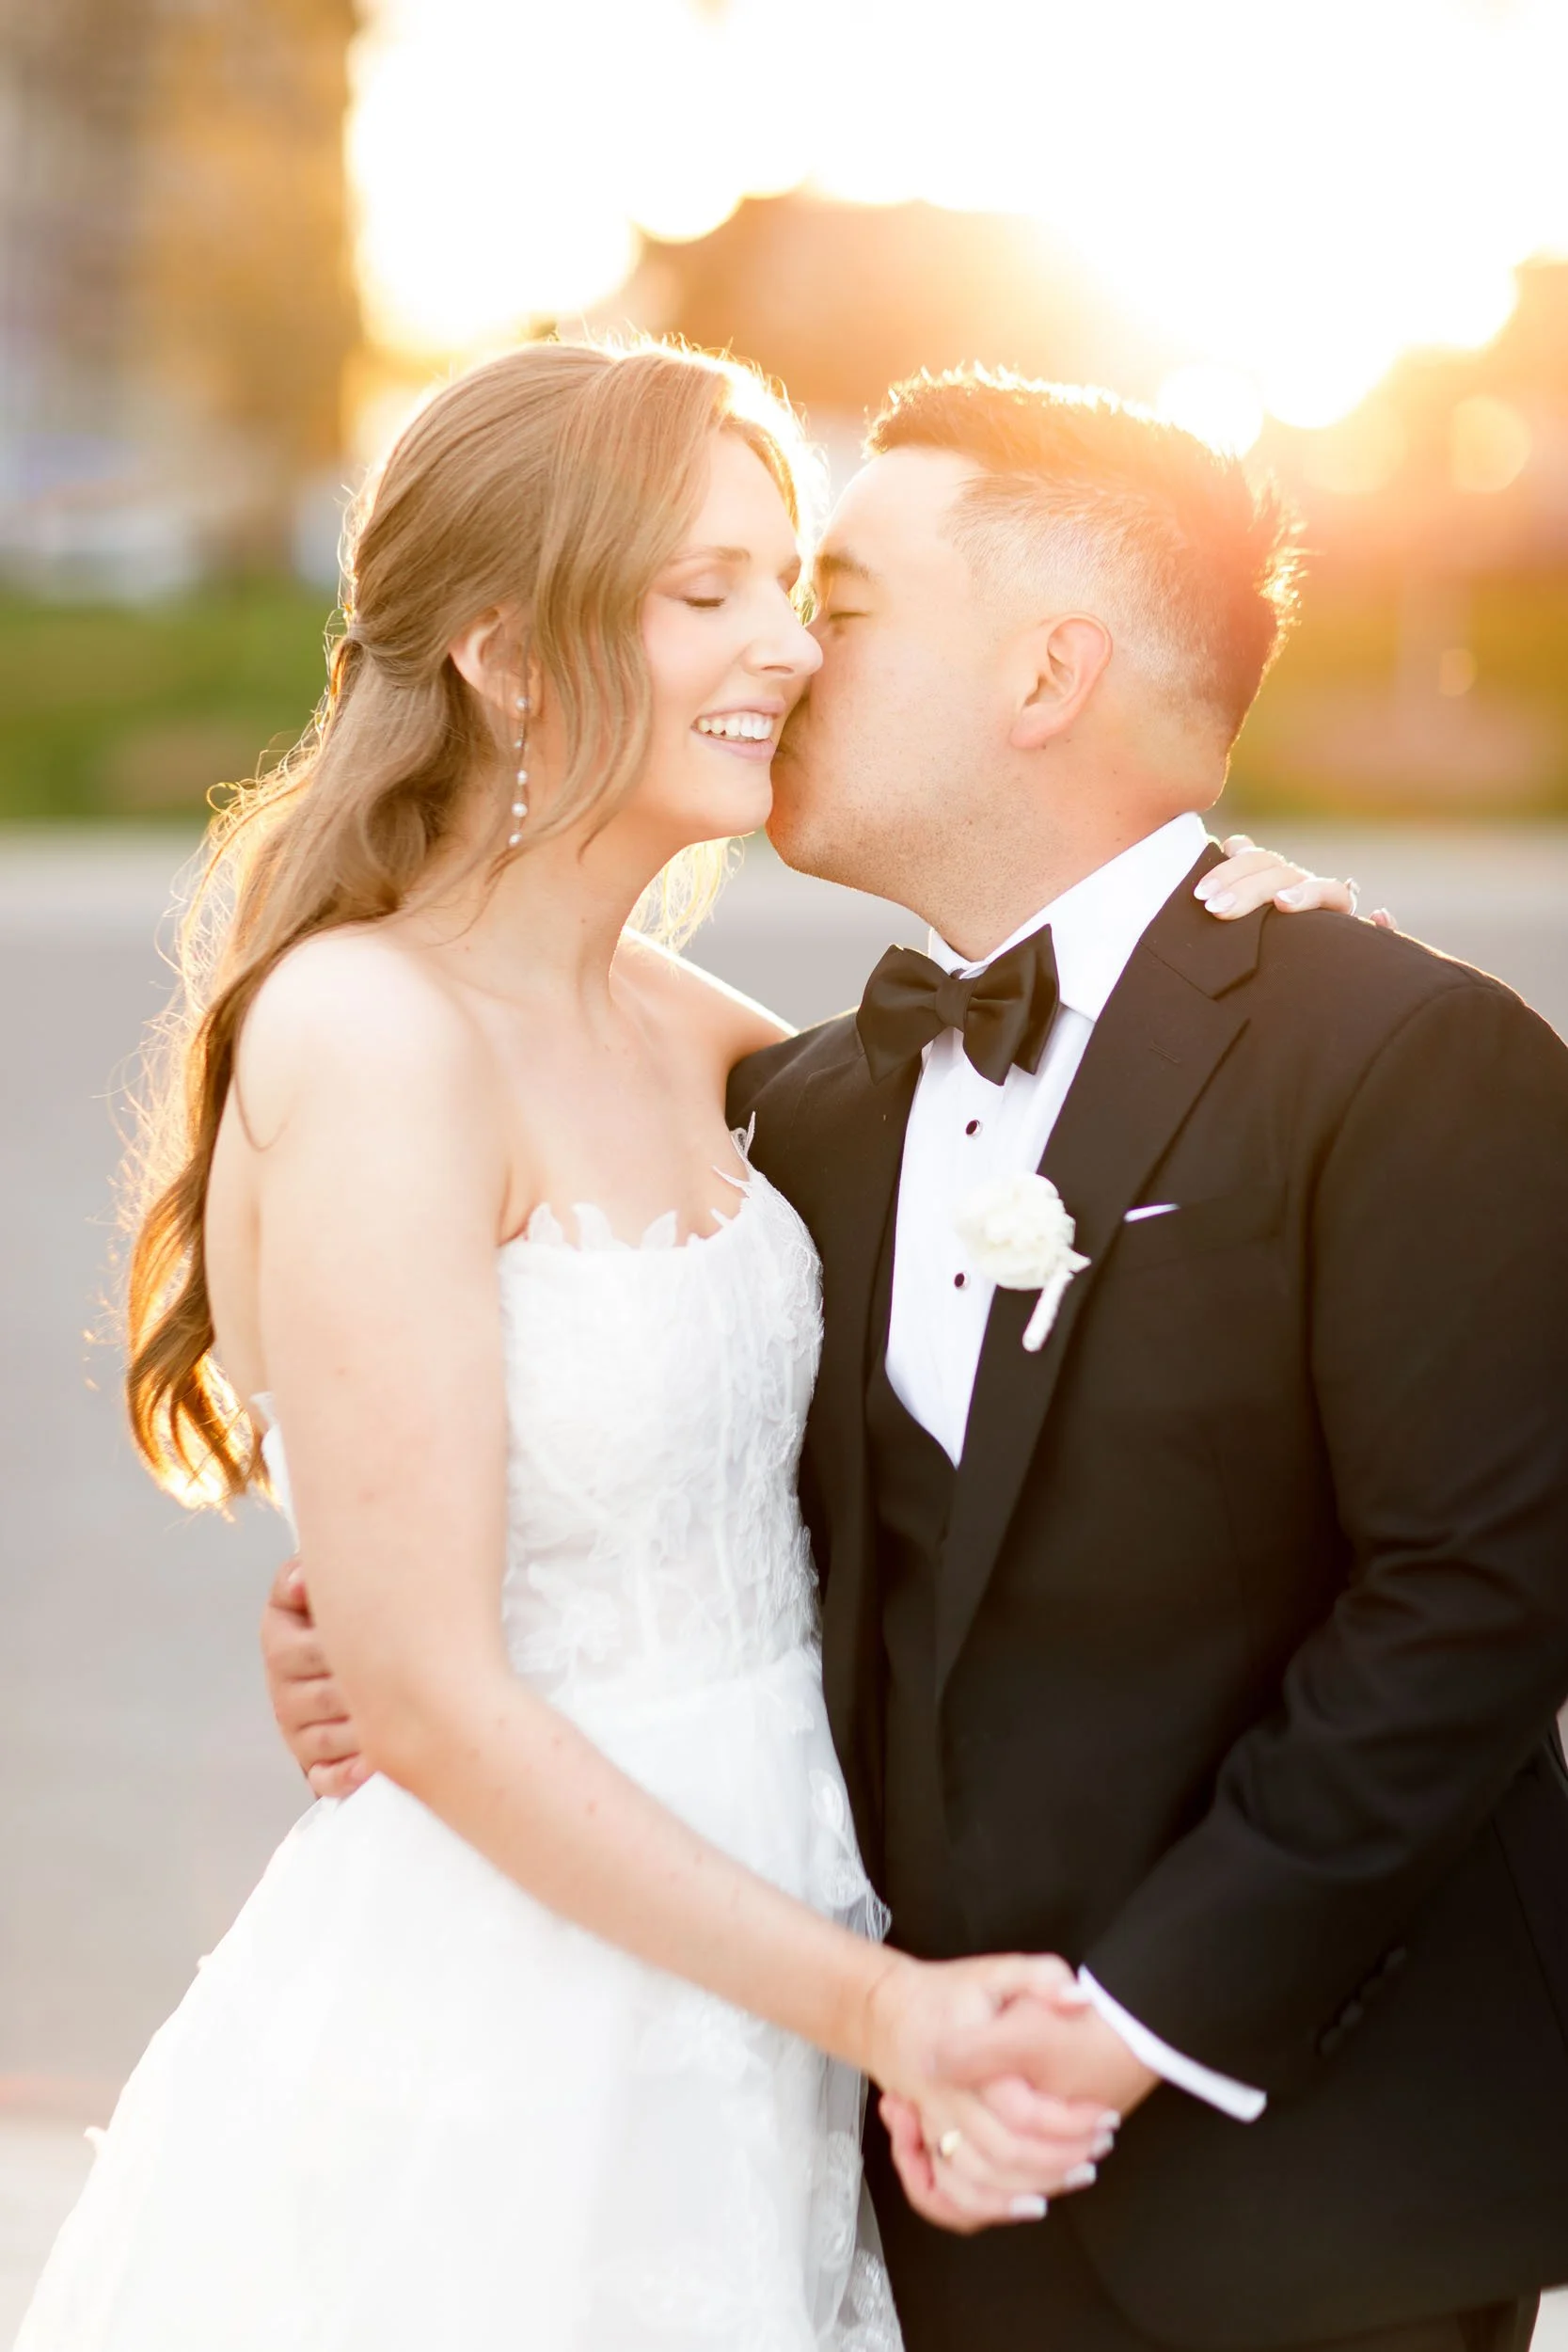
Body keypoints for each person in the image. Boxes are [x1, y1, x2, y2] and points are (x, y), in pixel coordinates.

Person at [16, 341, 1343, 2352]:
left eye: (789, 582)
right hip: (510, 2025)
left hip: (761, 1969)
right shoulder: (367, 1035)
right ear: (507, 652)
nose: (788, 646)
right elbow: (435, 1694)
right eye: (701, 587)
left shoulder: (700, 1033)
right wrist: (878, 2008)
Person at [269, 365, 1568, 2352]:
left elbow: (1475, 1604)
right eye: (749, 591)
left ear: (1045, 674)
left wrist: (1123, 2030)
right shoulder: (796, 1104)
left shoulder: (1396, 1055)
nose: (788, 649)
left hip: (1305, 2193)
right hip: (874, 2176)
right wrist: (365, 1615)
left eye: (837, 597)